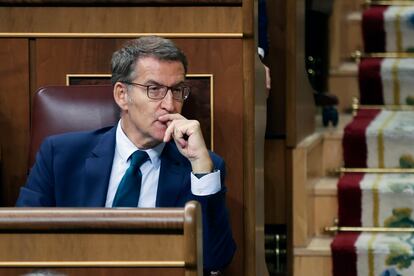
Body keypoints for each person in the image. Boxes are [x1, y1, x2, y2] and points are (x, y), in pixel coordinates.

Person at [16, 36, 236, 273]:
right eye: (155, 89)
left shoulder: (201, 167)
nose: (170, 105)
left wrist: (201, 167)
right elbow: (23, 244)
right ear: (122, 95)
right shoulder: (59, 156)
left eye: (177, 90)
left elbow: (215, 260)